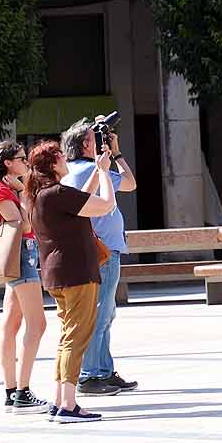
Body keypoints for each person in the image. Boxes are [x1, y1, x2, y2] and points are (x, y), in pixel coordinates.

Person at [24, 139, 117, 423]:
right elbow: (105, 205)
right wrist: (104, 174)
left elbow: (81, 201)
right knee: (77, 338)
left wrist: (97, 171)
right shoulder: (57, 193)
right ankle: (69, 405)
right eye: (61, 157)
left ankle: (61, 401)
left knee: (67, 337)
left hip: (57, 274)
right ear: (53, 164)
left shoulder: (41, 195)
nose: (66, 160)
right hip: (77, 273)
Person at [61, 116, 138, 398]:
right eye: (97, 139)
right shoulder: (85, 170)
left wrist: (110, 154)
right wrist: (114, 155)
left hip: (102, 250)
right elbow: (130, 183)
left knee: (105, 313)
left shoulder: (77, 169)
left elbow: (128, 185)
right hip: (102, 252)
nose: (101, 143)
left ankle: (103, 370)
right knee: (100, 314)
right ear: (85, 145)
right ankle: (91, 375)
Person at [0, 140, 49, 415]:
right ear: (7, 163)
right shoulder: (1, 190)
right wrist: (23, 195)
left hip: (21, 257)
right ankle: (22, 391)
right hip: (21, 257)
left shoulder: (1, 189)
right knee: (38, 324)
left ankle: (13, 391)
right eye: (21, 158)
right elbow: (23, 226)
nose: (26, 163)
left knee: (11, 325)